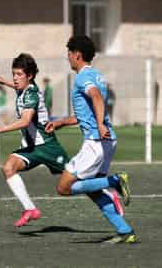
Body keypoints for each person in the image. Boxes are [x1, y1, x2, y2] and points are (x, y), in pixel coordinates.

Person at [45, 35, 137, 243]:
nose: (67, 57)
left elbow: (95, 97)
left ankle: (115, 180)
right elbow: (84, 113)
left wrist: (101, 124)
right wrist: (59, 122)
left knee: (63, 188)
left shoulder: (82, 78)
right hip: (107, 141)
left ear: (77, 55)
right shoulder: (97, 75)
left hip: (95, 142)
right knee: (94, 190)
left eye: (69, 53)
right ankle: (125, 231)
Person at [0, 53, 70, 227]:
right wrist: (2, 81)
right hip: (32, 148)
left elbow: (25, 121)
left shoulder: (31, 94)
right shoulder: (23, 88)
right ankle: (30, 209)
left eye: (19, 75)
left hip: (47, 147)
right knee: (9, 167)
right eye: (13, 74)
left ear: (30, 76)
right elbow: (16, 86)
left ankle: (109, 186)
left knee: (76, 180)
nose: (15, 79)